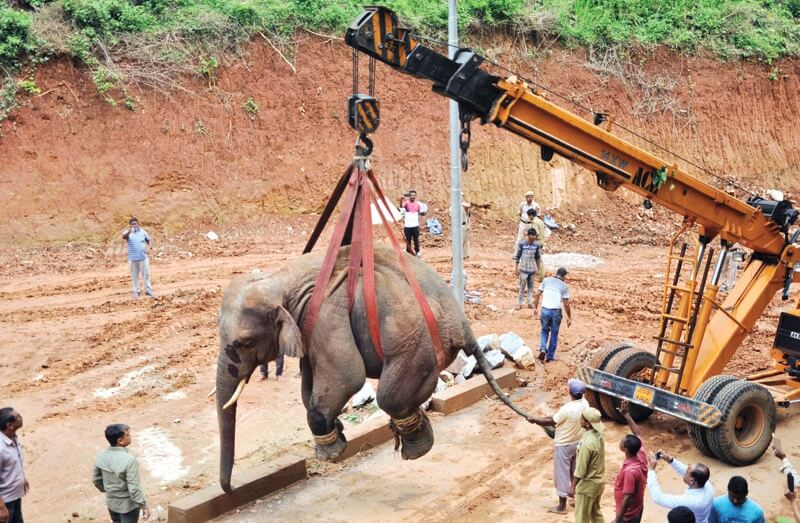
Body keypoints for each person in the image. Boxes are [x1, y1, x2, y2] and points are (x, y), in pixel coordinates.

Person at [526, 378, 590, 514]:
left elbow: (552, 420)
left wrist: (535, 419)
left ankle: (561, 506)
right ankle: (578, 499)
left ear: (570, 392)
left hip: (564, 444)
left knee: (562, 474)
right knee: (575, 471)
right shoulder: (585, 404)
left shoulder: (567, 408)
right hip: (578, 442)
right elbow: (556, 417)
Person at [93, 424, 149, 523]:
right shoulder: (129, 460)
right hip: (128, 506)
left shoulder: (101, 455)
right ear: (120, 441)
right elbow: (134, 489)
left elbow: (96, 480)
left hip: (111, 503)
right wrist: (144, 506)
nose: (130, 436)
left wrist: (110, 492)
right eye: (127, 435)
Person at [647, 451, 714, 523]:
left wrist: (651, 470)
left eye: (687, 472)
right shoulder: (707, 484)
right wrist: (670, 460)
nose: (684, 472)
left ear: (692, 481)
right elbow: (686, 471)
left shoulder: (691, 501)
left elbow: (658, 498)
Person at [613, 401, 648, 523]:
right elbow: (637, 433)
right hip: (637, 507)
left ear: (625, 449)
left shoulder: (630, 472)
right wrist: (626, 415)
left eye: (622, 441)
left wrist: (618, 519)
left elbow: (627, 497)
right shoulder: (640, 452)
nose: (620, 442)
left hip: (628, 515)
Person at [569, 407, 605, 523]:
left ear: (588, 424)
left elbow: (581, 470)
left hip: (587, 486)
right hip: (598, 482)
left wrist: (572, 486)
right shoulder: (598, 435)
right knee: (595, 514)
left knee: (581, 518)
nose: (580, 419)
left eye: (582, 418)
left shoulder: (586, 445)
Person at [533, 267, 572, 362]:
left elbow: (537, 294)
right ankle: (550, 357)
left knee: (544, 330)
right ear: (564, 276)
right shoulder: (564, 286)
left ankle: (542, 348)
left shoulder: (546, 280)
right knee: (554, 334)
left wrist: (535, 307)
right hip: (556, 312)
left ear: (556, 273)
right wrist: (569, 317)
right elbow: (566, 303)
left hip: (545, 309)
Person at [0, 408, 28, 523]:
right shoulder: (0, 448)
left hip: (15, 497)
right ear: (10, 425)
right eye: (18, 417)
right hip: (6, 502)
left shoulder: (13, 437)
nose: (21, 418)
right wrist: (1, 508)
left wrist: (22, 478)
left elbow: (14, 462)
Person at [122, 217, 154, 298]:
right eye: (132, 224)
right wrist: (130, 231)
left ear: (138, 224)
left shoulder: (143, 232)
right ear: (130, 225)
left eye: (135, 224)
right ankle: (136, 291)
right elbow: (124, 237)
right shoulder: (127, 233)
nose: (134, 225)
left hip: (143, 257)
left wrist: (150, 245)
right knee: (135, 276)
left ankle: (148, 290)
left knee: (146, 275)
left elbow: (148, 240)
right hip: (133, 259)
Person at [514, 228, 542, 310]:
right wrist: (516, 268)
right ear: (529, 236)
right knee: (522, 287)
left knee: (531, 287)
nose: (534, 237)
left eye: (535, 236)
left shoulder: (537, 245)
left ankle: (529, 302)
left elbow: (538, 257)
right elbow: (518, 256)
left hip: (532, 269)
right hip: (523, 269)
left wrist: (538, 268)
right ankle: (519, 303)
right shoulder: (522, 244)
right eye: (532, 235)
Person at [401, 190, 425, 257]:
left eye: (414, 195)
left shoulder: (418, 205)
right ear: (409, 196)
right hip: (408, 226)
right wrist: (402, 199)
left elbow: (420, 214)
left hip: (415, 225)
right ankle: (408, 252)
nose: (413, 196)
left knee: (416, 239)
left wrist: (420, 224)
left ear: (415, 196)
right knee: (408, 240)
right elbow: (401, 208)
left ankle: (417, 251)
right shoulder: (406, 203)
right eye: (411, 195)